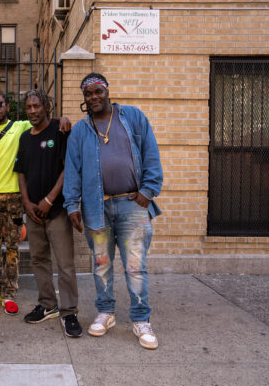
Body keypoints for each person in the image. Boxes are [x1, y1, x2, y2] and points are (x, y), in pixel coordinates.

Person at [63, 72, 163, 349]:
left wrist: (147, 191)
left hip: (133, 205)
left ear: (107, 91)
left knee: (135, 266)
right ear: (84, 98)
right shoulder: (80, 131)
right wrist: (72, 204)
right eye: (88, 94)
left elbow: (151, 153)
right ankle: (106, 313)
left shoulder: (132, 117)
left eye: (98, 91)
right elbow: (72, 171)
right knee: (101, 265)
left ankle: (141, 319)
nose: (93, 97)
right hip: (96, 208)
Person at [0, 92, 72, 315]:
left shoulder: (21, 126)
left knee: (12, 248)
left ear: (8, 107)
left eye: (0, 104)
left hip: (14, 196)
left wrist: (62, 119)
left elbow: (44, 119)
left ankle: (10, 292)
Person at [14, 90, 81, 337]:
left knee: (65, 264)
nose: (32, 111)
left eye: (36, 106)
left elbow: (69, 169)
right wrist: (27, 203)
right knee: (39, 260)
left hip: (57, 210)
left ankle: (69, 311)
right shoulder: (24, 138)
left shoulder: (59, 132)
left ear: (46, 107)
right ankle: (47, 305)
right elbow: (20, 172)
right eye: (28, 107)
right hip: (32, 213)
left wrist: (49, 199)